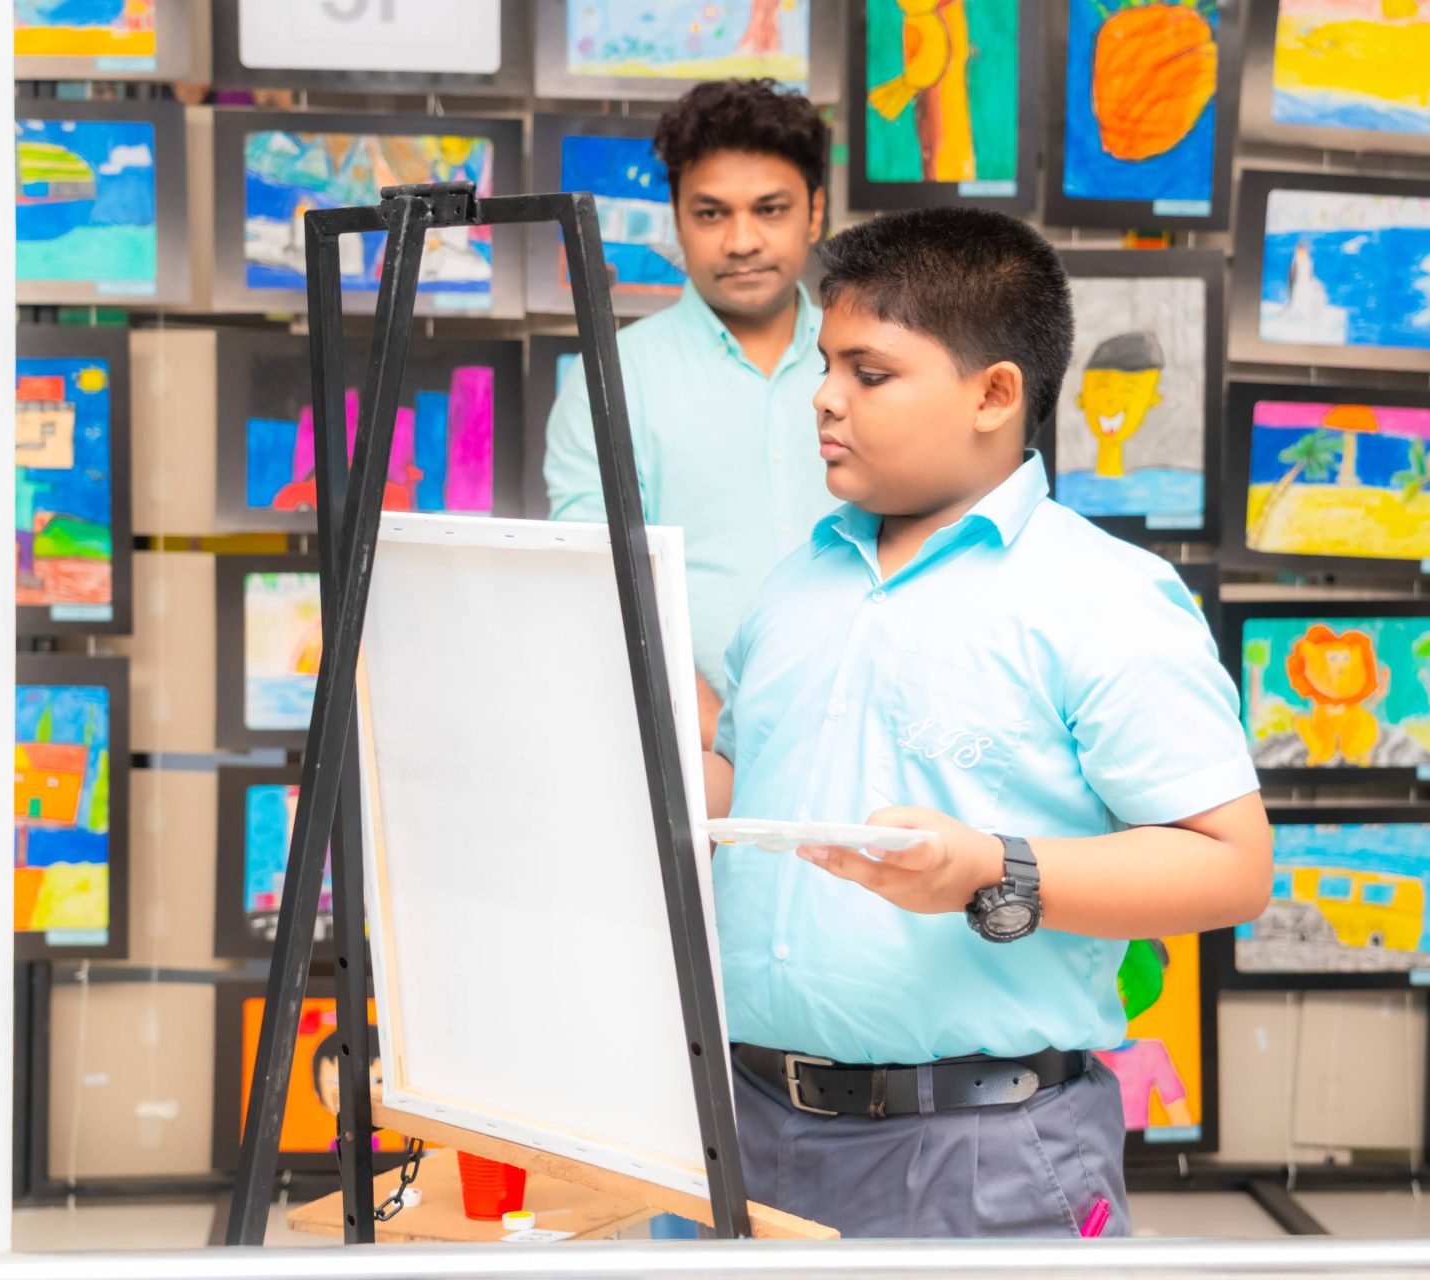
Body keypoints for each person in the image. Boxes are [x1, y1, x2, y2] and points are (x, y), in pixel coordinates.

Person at [701, 208, 1272, 1238]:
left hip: (981, 1154)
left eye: (868, 372)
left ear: (994, 393)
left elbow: (1230, 866)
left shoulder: (1105, 596)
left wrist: (989, 867)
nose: (824, 397)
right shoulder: (791, 587)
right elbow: (745, 797)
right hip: (743, 1131)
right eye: (825, 364)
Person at [544, 79, 836, 749]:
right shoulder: (612, 377)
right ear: (677, 219)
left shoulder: (873, 363)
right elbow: (601, 573)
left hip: (871, 748)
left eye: (770, 209)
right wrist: (713, 737)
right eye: (711, 214)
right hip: (685, 754)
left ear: (814, 213)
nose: (741, 241)